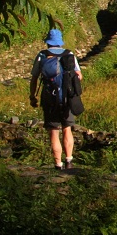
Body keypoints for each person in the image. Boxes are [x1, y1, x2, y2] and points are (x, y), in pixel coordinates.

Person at [29, 28, 82, 170]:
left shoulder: (42, 55)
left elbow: (34, 78)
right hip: (67, 97)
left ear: (48, 42)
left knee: (53, 131)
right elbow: (79, 76)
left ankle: (58, 164)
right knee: (67, 129)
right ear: (60, 42)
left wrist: (32, 96)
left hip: (49, 97)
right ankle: (69, 161)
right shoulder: (69, 54)